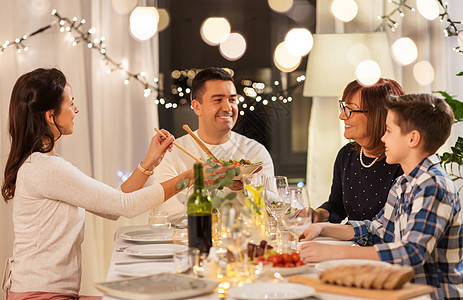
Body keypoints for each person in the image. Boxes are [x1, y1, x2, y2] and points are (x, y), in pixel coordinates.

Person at [0, 68, 207, 299]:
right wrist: (191, 177)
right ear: (50, 116)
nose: (76, 109)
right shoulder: (45, 168)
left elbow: (113, 207)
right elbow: (124, 206)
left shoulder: (44, 164)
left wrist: (151, 161)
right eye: (71, 103)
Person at [300, 93, 462, 299]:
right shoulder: (404, 182)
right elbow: (375, 230)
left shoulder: (433, 186)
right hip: (399, 291)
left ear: (412, 138)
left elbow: (411, 253)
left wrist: (333, 253)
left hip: (429, 294)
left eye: (388, 131)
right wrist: (322, 227)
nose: (383, 137)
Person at [151, 67, 274, 220]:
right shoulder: (173, 151)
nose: (228, 107)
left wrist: (246, 188)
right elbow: (166, 211)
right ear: (196, 107)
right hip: (188, 240)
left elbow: (273, 209)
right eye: (218, 100)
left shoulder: (255, 153)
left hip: (243, 239)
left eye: (232, 100)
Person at [312, 79, 404, 223]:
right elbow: (337, 206)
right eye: (343, 107)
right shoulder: (347, 154)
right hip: (352, 242)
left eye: (350, 109)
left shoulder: (401, 162)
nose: (342, 116)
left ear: (376, 115)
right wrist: (319, 214)